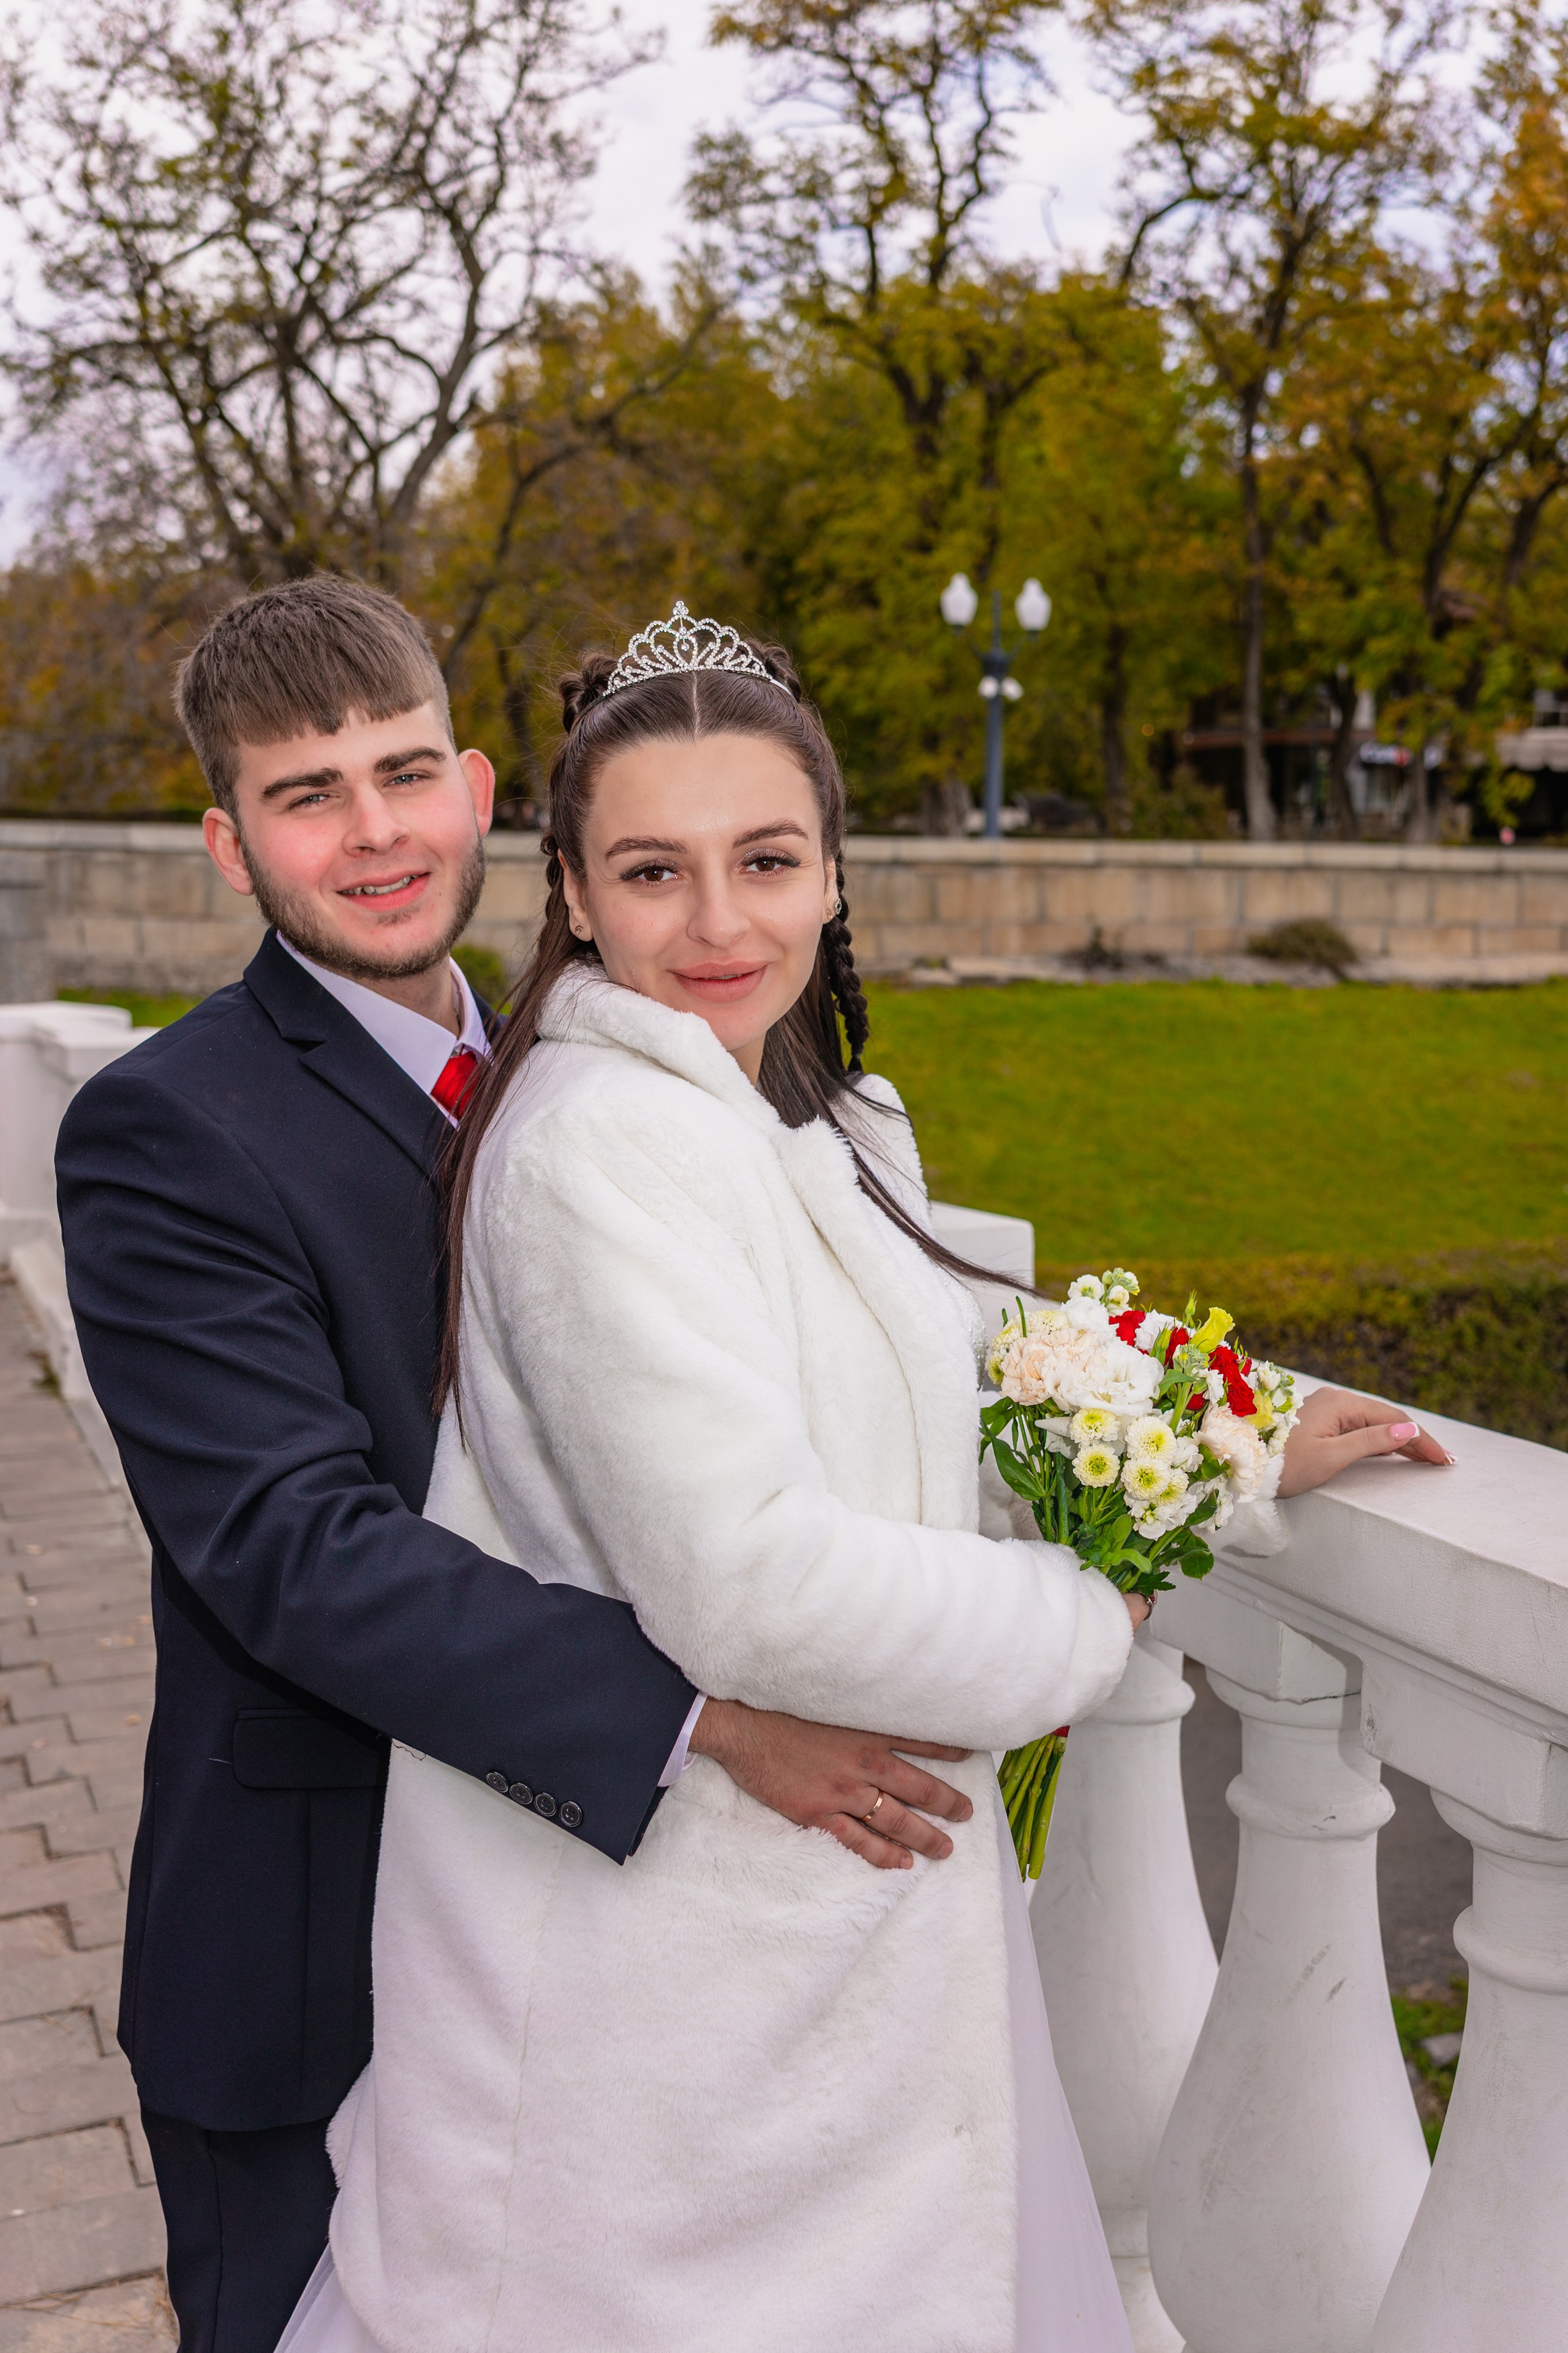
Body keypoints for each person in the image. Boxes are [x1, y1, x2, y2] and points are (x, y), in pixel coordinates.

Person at [280, 604, 1450, 2353]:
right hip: (672, 1993)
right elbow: (746, 1582)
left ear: (835, 870)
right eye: (655, 872)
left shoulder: (806, 1117)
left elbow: (943, 1378)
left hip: (805, 1973)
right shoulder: (607, 1142)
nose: (720, 918)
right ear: (577, 898)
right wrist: (1089, 1609)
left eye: (765, 858)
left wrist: (1221, 1431)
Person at [55, 578, 983, 2353]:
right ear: (227, 844)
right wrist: (708, 1720)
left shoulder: (598, 1073)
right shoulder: (170, 1129)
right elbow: (295, 1548)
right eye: (305, 792)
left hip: (609, 1952)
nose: (376, 830)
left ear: (484, 792)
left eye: (402, 769)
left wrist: (1210, 1435)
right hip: (326, 1946)